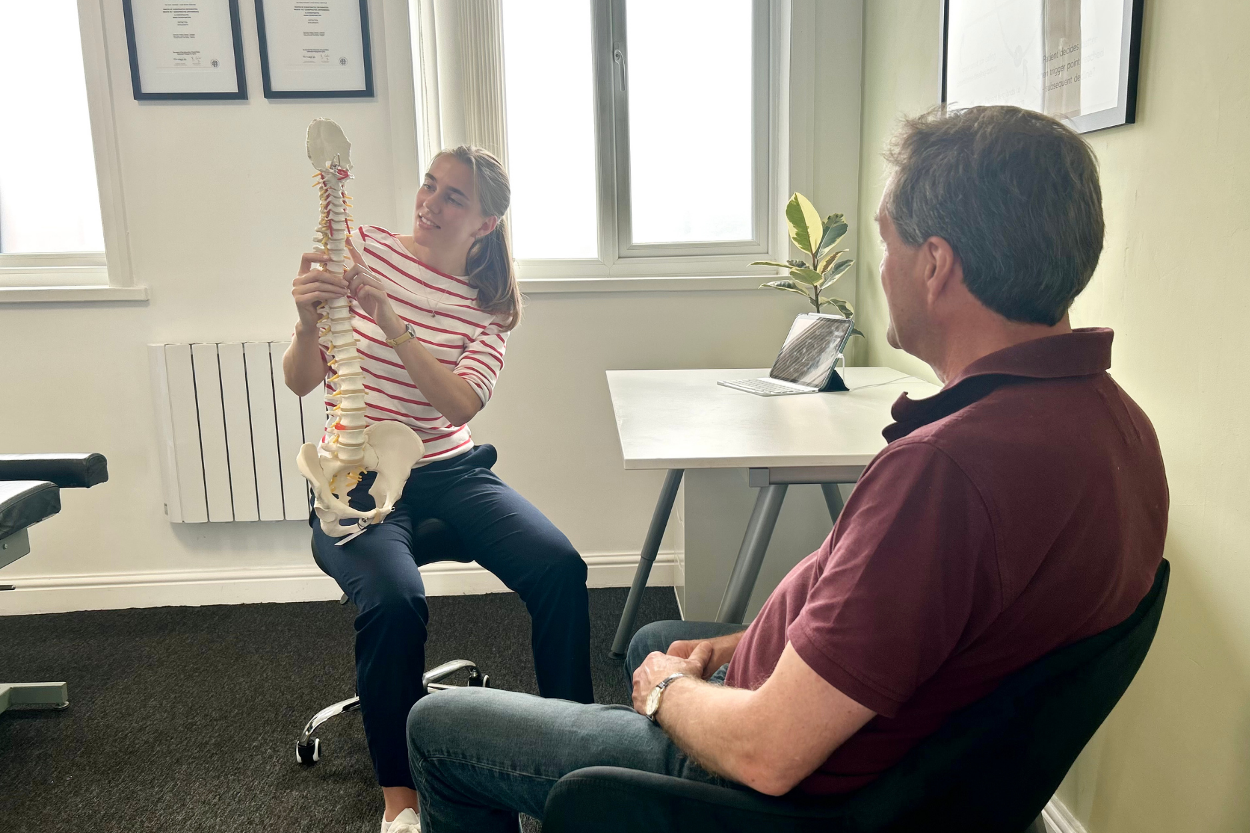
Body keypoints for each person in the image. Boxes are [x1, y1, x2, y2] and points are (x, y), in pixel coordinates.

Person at [403, 105, 1169, 832]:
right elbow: (898, 628)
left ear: (936, 265)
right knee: (657, 639)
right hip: (872, 739)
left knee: (438, 724)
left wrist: (671, 693)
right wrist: (729, 649)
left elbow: (766, 752)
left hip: (772, 791)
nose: (882, 266)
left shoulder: (946, 475)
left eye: (887, 241)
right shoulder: (1118, 426)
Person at [283, 146, 594, 833]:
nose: (430, 202)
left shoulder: (488, 310)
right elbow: (301, 379)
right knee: (395, 600)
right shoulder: (361, 248)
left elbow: (456, 404)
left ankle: (580, 757)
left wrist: (392, 319)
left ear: (484, 224)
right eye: (429, 185)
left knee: (561, 567)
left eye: (453, 196)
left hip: (450, 469)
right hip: (355, 474)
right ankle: (401, 798)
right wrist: (307, 323)